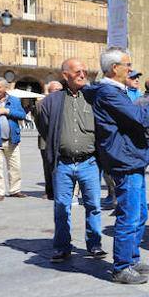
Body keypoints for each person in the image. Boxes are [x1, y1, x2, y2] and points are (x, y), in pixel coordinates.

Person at [82, 47, 149, 284]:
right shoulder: (108, 93)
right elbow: (142, 118)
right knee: (129, 215)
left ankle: (132, 258)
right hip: (125, 160)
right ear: (115, 68)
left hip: (131, 157)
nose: (130, 69)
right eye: (127, 64)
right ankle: (122, 267)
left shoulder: (114, 91)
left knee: (140, 213)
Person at [37, 59, 106, 263]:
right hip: (63, 163)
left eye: (84, 71)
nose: (83, 74)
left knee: (93, 205)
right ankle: (61, 247)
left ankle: (94, 244)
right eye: (78, 72)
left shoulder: (93, 97)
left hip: (89, 162)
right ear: (65, 75)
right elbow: (43, 124)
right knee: (61, 207)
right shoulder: (53, 100)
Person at [36, 81, 64, 199]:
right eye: (55, 90)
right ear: (49, 91)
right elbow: (39, 123)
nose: (58, 92)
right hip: (45, 140)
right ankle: (50, 191)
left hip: (63, 140)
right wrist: (49, 135)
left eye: (60, 90)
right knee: (48, 167)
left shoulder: (66, 102)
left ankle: (63, 190)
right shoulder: (40, 104)